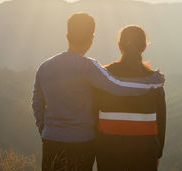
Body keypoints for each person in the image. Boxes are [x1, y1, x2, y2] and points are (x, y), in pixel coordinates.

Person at [32, 13, 164, 171]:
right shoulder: (90, 68)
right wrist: (152, 81)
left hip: (54, 141)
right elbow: (118, 87)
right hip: (85, 143)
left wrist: (45, 129)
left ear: (67, 36)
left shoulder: (45, 67)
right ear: (91, 39)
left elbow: (37, 104)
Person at [95, 25, 166, 171]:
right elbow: (161, 122)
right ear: (144, 47)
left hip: (109, 153)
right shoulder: (154, 82)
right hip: (145, 154)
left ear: (119, 46)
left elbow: (92, 115)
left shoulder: (103, 77)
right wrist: (157, 154)